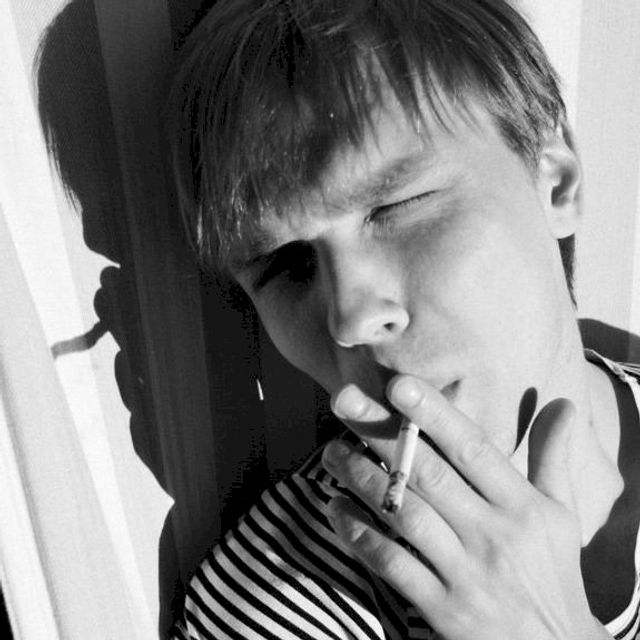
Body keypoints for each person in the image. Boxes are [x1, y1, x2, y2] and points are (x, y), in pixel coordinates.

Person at [167, 1, 640, 638]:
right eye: (286, 264)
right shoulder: (279, 604)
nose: (351, 317)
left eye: (397, 206)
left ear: (554, 182)